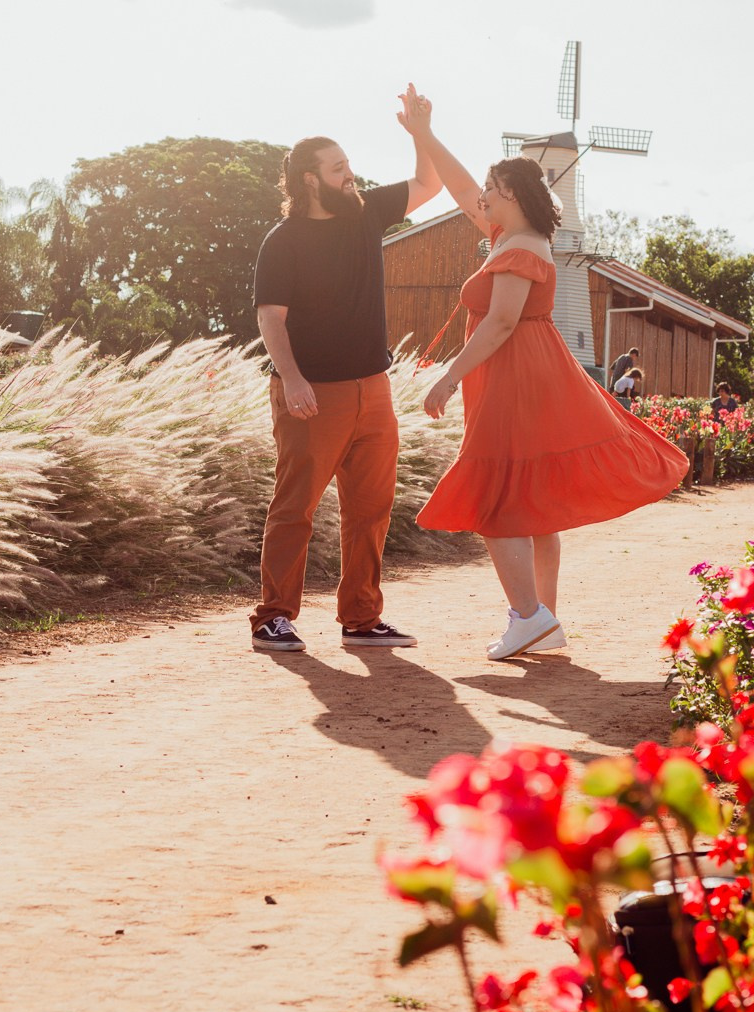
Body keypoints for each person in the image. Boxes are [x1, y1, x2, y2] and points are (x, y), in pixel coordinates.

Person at [403, 109, 688, 661]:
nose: (481, 194)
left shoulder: (518, 248)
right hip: (525, 373)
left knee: (500, 499)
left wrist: (448, 376)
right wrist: (425, 135)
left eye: (491, 187)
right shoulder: (512, 236)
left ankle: (530, 617)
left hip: (516, 376)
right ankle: (543, 620)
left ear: (510, 192)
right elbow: (460, 187)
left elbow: (502, 322)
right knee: (531, 502)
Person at [249, 87, 443, 654]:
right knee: (295, 507)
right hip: (313, 394)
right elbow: (271, 318)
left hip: (373, 390)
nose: (350, 176)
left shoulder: (366, 214)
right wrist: (292, 379)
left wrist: (421, 135)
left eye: (349, 165)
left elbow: (428, 185)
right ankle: (273, 617)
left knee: (371, 509)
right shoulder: (283, 242)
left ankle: (361, 618)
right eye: (339, 169)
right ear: (309, 179)